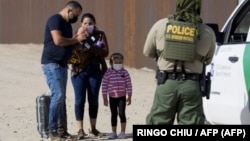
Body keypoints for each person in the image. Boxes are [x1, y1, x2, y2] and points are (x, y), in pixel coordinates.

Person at [143, 0, 216, 125]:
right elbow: (208, 60)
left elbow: (147, 51)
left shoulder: (161, 25)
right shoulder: (207, 31)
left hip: (166, 83)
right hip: (191, 86)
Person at [40, 1, 85, 140]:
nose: (76, 18)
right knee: (58, 96)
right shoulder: (55, 20)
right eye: (76, 15)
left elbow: (69, 44)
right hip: (52, 63)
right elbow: (58, 41)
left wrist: (79, 41)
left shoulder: (67, 24)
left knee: (62, 98)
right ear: (69, 11)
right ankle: (51, 131)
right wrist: (75, 39)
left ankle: (62, 131)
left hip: (63, 64)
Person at [70, 13, 109, 140]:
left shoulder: (100, 34)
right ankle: (80, 129)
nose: (87, 25)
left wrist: (91, 47)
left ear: (94, 24)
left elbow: (105, 52)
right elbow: (71, 50)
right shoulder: (76, 35)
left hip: (94, 70)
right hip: (79, 71)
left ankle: (93, 128)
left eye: (90, 23)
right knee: (79, 100)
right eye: (85, 23)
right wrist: (79, 38)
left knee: (93, 100)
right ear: (81, 24)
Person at [101, 52, 132, 139]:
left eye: (120, 63)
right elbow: (104, 85)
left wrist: (129, 96)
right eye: (116, 63)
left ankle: (122, 132)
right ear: (111, 63)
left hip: (122, 97)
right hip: (112, 97)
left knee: (122, 114)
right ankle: (114, 132)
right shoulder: (108, 73)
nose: (118, 64)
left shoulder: (125, 72)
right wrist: (104, 98)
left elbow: (129, 84)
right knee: (113, 114)